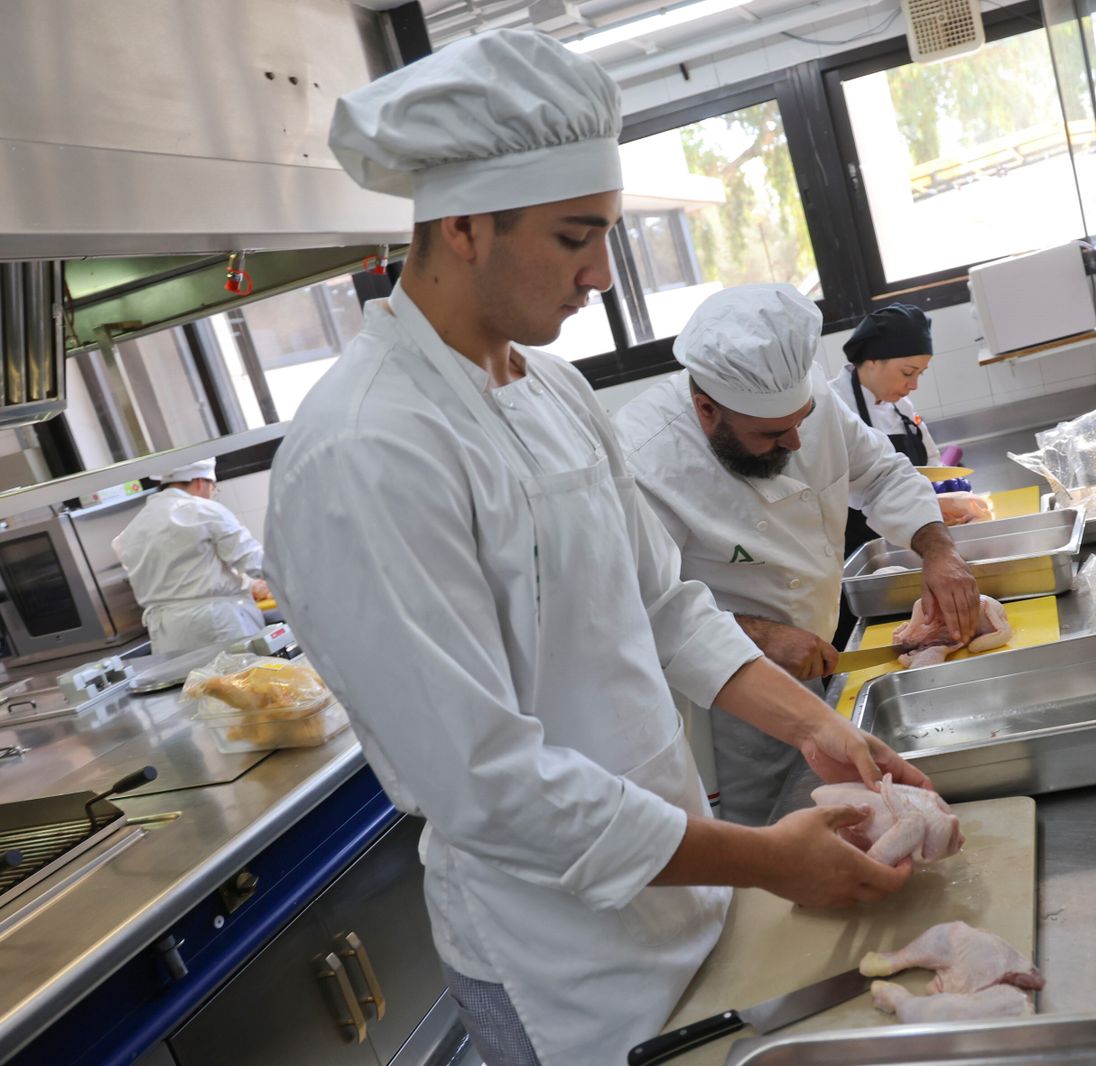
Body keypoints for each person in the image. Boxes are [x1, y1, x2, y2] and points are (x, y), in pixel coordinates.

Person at [264, 31, 928, 1066]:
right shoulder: (365, 452)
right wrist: (762, 857)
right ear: (467, 225)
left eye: (606, 233)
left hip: (682, 885)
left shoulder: (551, 390)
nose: (600, 273)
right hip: (559, 960)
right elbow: (486, 782)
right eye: (577, 237)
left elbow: (664, 606)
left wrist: (813, 728)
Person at [615, 284, 980, 826]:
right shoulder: (644, 461)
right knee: (769, 820)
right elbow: (643, 605)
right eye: (770, 434)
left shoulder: (809, 402)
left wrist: (938, 550)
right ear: (707, 409)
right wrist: (764, 637)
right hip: (727, 695)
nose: (796, 444)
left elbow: (880, 474)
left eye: (800, 421)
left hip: (815, 658)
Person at [829, 303, 972, 556]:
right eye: (908, 372)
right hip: (858, 553)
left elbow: (931, 463)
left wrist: (942, 494)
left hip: (908, 542)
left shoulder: (901, 408)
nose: (914, 384)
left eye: (920, 374)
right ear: (872, 360)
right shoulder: (833, 406)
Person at [112, 458, 268, 654]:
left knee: (194, 684)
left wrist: (249, 585)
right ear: (201, 482)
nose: (213, 494)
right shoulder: (205, 510)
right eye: (214, 488)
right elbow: (255, 561)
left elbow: (181, 576)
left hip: (168, 632)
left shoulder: (132, 529)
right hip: (216, 624)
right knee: (239, 681)